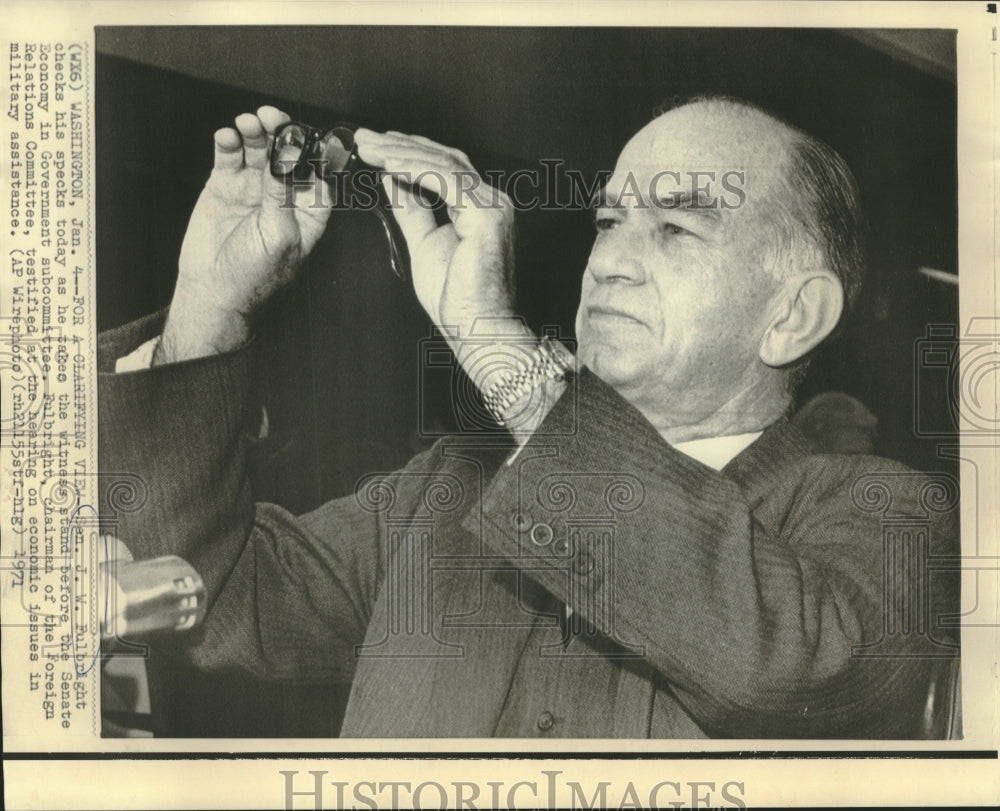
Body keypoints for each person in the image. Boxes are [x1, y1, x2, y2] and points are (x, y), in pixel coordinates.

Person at [98, 96, 958, 738]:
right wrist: (209, 305)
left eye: (676, 229)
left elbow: (786, 662)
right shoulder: (444, 493)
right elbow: (199, 594)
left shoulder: (883, 515)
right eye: (610, 218)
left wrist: (498, 349)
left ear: (793, 316)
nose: (612, 259)